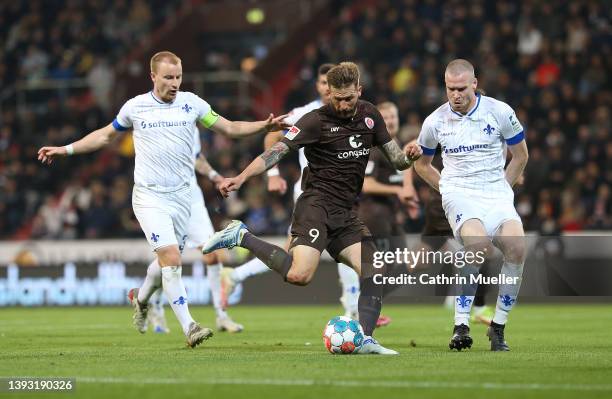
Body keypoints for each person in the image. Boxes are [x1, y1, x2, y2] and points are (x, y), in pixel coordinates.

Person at [38, 50, 288, 348]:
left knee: (164, 263)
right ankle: (190, 326)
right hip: (150, 197)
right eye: (168, 77)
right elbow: (104, 136)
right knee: (172, 258)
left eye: (178, 77)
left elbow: (230, 127)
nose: (174, 83)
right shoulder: (136, 107)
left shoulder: (191, 103)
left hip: (183, 198)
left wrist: (263, 126)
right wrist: (64, 149)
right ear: (153, 76)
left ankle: (141, 298)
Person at [203, 62, 422, 355]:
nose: (343, 105)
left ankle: (366, 339)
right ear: (328, 92)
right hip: (315, 205)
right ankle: (241, 235)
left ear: (359, 90)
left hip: (345, 211)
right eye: (337, 98)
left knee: (374, 269)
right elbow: (274, 152)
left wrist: (410, 157)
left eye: (349, 98)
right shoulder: (313, 121)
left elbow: (397, 160)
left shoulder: (371, 115)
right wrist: (241, 178)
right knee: (299, 275)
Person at [219, 64, 362, 320]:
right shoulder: (305, 113)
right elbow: (272, 138)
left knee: (295, 259)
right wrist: (273, 175)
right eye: (322, 84)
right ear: (319, 87)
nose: (327, 89)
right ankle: (353, 307)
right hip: (312, 193)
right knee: (337, 249)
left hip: (340, 195)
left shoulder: (353, 112)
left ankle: (237, 272)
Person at [414, 59, 528, 351]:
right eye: (450, 88)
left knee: (517, 247)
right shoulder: (435, 121)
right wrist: (446, 189)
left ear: (474, 84)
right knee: (478, 245)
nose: (456, 94)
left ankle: (498, 328)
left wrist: (504, 187)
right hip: (460, 192)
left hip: (495, 191)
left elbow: (520, 155)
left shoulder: (499, 112)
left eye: (461, 88)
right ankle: (461, 325)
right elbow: (422, 165)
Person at [144, 144, 244, 334]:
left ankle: (221, 315)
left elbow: (196, 156)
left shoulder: (189, 115)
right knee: (167, 257)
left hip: (192, 200)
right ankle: (154, 305)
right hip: (162, 198)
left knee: (213, 255)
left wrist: (214, 176)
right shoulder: (154, 120)